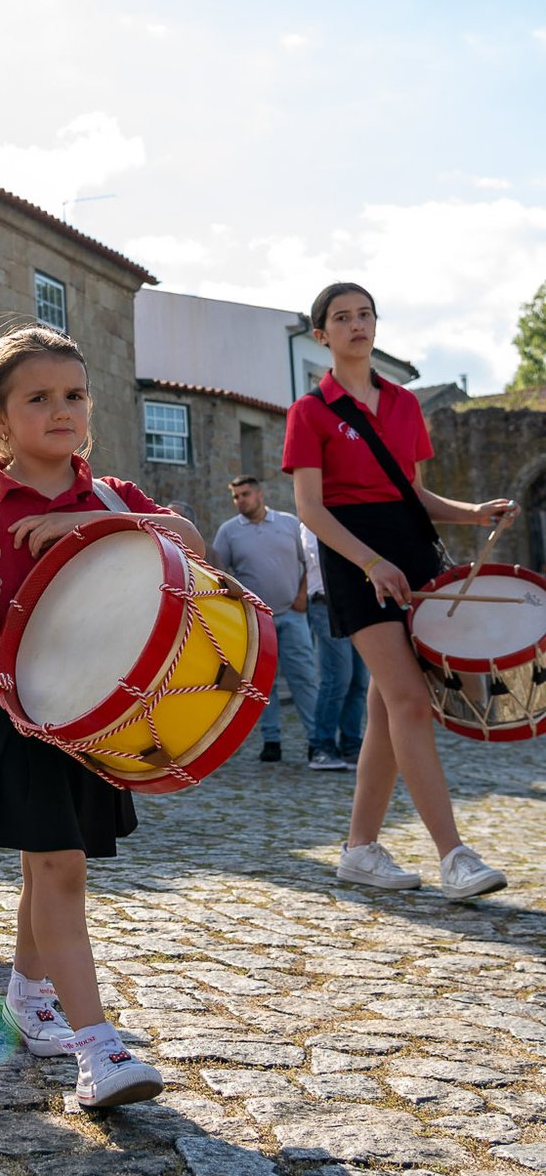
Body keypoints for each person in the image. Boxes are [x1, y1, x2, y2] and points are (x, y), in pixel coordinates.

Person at [0, 323, 203, 1109]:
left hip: (98, 716)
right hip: (14, 710)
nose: (60, 410)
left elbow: (190, 541)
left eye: (74, 396)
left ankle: (24, 996)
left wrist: (93, 526)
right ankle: (98, 1050)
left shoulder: (112, 495)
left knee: (46, 864)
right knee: (59, 867)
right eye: (38, 398)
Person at [285, 282, 513, 900]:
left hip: (412, 554)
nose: (356, 325)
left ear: (376, 326)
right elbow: (309, 508)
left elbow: (414, 496)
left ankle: (359, 850)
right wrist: (369, 563)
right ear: (321, 335)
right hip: (355, 558)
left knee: (386, 709)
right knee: (412, 701)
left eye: (365, 315)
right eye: (342, 317)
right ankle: (454, 855)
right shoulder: (310, 412)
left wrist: (474, 513)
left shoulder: (406, 406)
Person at [211, 476, 323, 766]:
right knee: (263, 684)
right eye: (236, 497)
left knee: (304, 679)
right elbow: (219, 572)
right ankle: (271, 741)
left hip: (292, 615)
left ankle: (317, 741)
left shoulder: (288, 523)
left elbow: (308, 562)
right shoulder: (229, 531)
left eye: (245, 494)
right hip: (256, 622)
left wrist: (302, 596)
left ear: (261, 494)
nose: (241, 501)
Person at [302, 523, 367, 768]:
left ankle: (351, 745)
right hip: (326, 605)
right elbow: (325, 556)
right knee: (338, 677)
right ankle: (322, 746)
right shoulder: (312, 521)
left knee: (359, 680)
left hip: (357, 602)